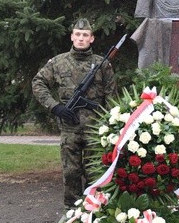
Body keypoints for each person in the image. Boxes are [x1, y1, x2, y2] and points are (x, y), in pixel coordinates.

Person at [32, 19, 117, 207]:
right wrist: (55, 107)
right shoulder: (58, 62)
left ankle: (96, 212)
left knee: (95, 173)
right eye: (77, 34)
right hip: (70, 128)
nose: (81, 38)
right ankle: (71, 214)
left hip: (97, 130)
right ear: (72, 37)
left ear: (92, 38)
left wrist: (111, 127)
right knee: (71, 173)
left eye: (85, 35)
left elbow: (112, 97)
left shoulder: (102, 65)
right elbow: (38, 83)